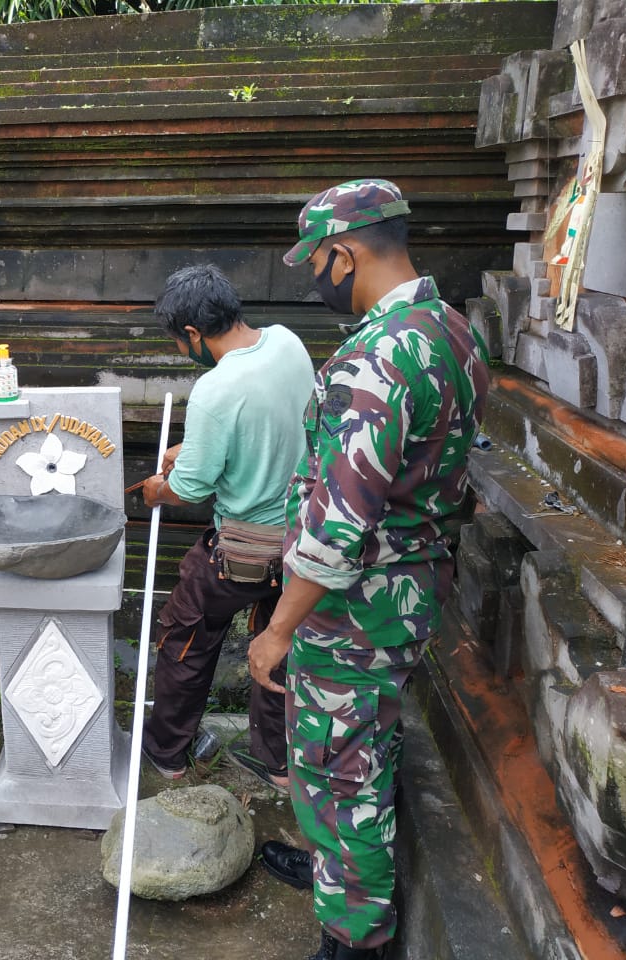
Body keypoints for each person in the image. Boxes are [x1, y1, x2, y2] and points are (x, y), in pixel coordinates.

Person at [248, 179, 489, 960]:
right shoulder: (451, 331)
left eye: (315, 262)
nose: (315, 279)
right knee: (356, 750)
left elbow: (336, 530)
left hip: (353, 611)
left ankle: (354, 938)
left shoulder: (376, 357)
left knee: (338, 765)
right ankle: (338, 877)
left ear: (343, 254)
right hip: (410, 588)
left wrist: (276, 631)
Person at [138, 264, 314, 786]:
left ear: (193, 334)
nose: (181, 351)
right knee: (275, 640)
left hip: (245, 548)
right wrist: (193, 450)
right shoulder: (287, 343)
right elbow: (269, 427)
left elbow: (189, 488)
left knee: (186, 631)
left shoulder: (216, 391)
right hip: (303, 540)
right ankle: (280, 766)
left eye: (178, 341)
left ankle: (167, 754)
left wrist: (156, 492)